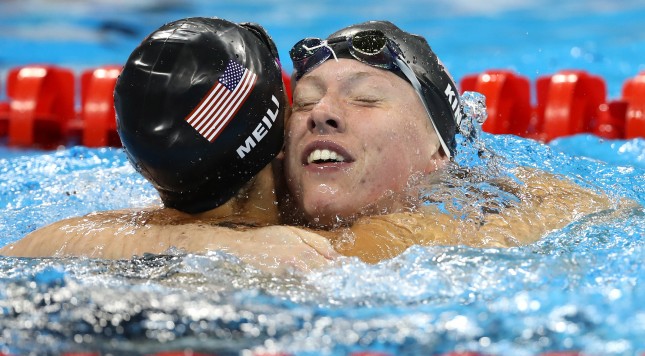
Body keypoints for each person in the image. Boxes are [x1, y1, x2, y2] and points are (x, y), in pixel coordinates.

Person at [0, 17, 338, 273]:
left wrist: (211, 242)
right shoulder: (315, 250)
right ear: (276, 127)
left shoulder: (113, 234)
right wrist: (227, 243)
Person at [278, 20, 622, 262]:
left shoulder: (446, 238)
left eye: (365, 98)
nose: (320, 113)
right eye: (305, 100)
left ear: (438, 151)